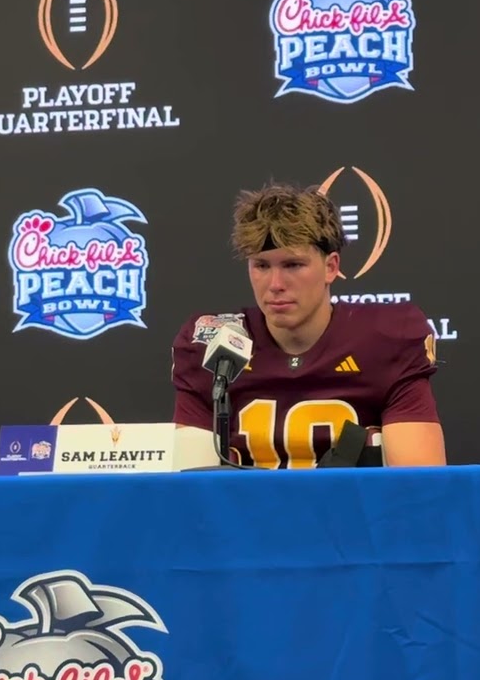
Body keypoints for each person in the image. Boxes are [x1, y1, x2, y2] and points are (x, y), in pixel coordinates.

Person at [170, 182, 446, 468]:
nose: (275, 285)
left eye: (293, 265)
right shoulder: (213, 343)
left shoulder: (388, 339)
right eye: (262, 266)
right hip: (246, 513)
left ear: (331, 267)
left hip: (351, 512)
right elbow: (191, 490)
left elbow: (418, 488)